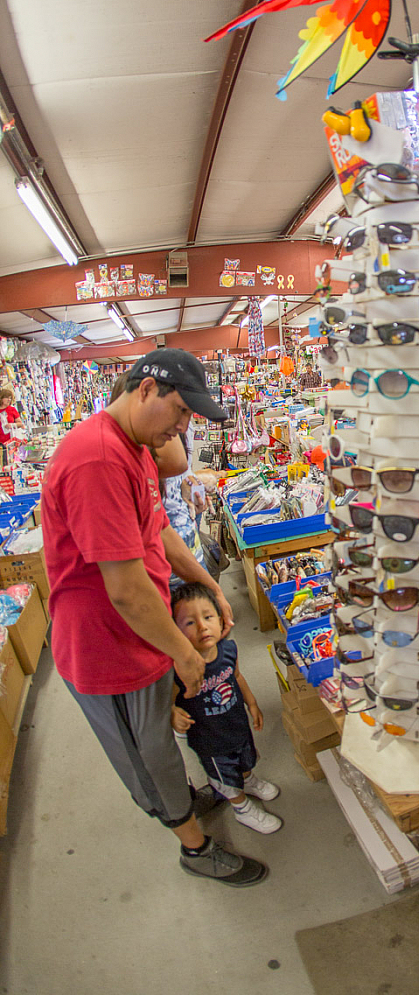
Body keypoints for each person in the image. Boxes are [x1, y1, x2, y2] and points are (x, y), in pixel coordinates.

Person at [41, 348, 267, 887]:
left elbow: (158, 531)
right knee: (149, 757)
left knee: (163, 744)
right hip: (108, 649)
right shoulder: (97, 460)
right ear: (145, 389)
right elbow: (125, 591)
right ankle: (195, 849)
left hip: (144, 634)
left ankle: (181, 804)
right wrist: (185, 653)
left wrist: (208, 586)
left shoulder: (134, 447)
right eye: (181, 411)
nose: (183, 427)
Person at [171, 583, 282, 835]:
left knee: (245, 758)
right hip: (210, 741)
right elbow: (168, 698)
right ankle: (242, 808)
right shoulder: (181, 668)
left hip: (237, 724)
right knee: (225, 777)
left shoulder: (229, 650)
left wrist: (252, 704)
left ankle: (248, 780)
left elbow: (237, 676)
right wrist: (172, 713)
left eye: (208, 617)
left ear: (221, 619)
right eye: (189, 622)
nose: (202, 627)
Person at [0, 387, 22, 465]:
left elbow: (20, 424)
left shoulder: (12, 409)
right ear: (1, 398)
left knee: (10, 463)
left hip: (10, 442)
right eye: (7, 398)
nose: (9, 400)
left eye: (10, 398)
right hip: (0, 442)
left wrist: (12, 425)